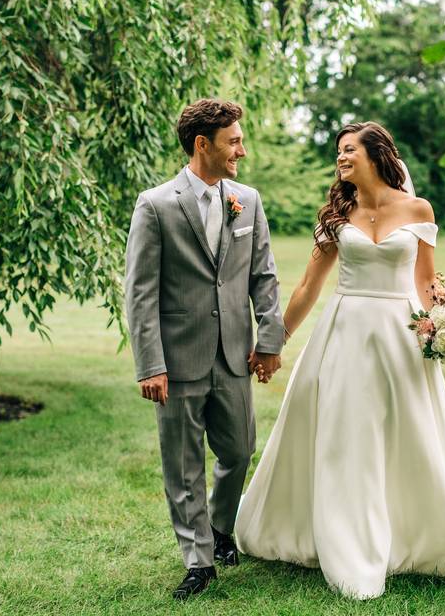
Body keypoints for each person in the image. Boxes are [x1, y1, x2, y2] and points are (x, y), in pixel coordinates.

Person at [236, 121, 445, 599]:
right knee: (343, 434)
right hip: (345, 332)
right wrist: (276, 341)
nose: (341, 157)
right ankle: (343, 538)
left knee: (406, 433)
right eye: (339, 151)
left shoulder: (417, 209)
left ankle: (417, 536)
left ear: (376, 154)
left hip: (400, 334)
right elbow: (309, 287)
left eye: (349, 149)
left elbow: (425, 282)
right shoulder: (338, 214)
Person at [124, 98, 285, 600]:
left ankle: (219, 528)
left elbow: (263, 275)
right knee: (184, 463)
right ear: (203, 145)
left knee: (238, 450)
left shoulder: (248, 201)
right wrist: (150, 363)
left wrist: (270, 339)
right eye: (233, 141)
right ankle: (199, 561)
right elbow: (141, 290)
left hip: (234, 353)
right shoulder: (156, 205)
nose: (242, 149)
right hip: (177, 359)